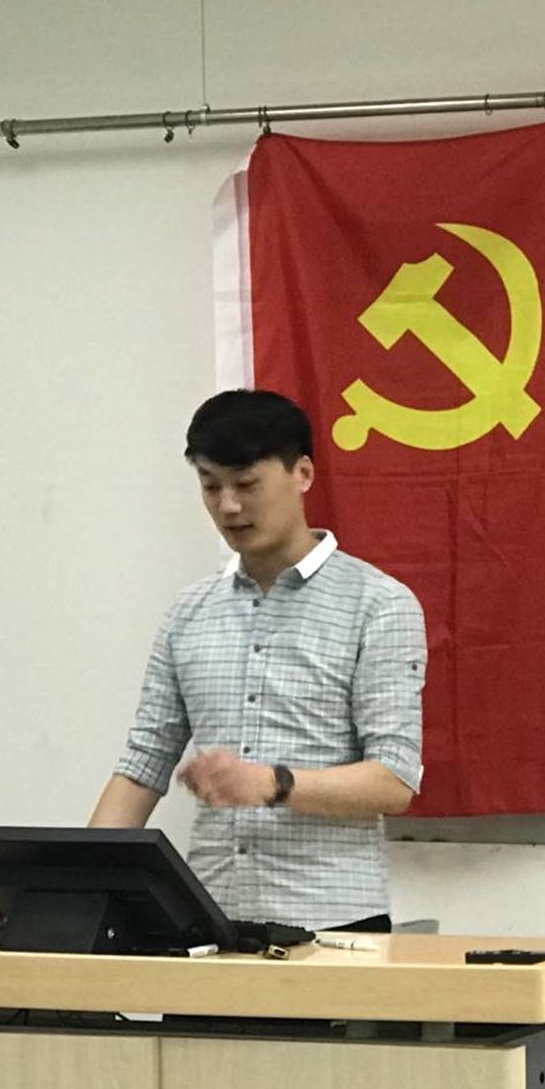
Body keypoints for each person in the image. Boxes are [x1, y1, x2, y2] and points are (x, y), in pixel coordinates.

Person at [86, 388, 427, 933]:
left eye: (246, 485)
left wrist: (273, 784)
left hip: (333, 924)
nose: (228, 506)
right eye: (210, 485)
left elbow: (393, 782)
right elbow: (142, 767)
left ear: (303, 474)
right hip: (209, 920)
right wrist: (68, 886)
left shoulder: (378, 605)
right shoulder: (188, 613)